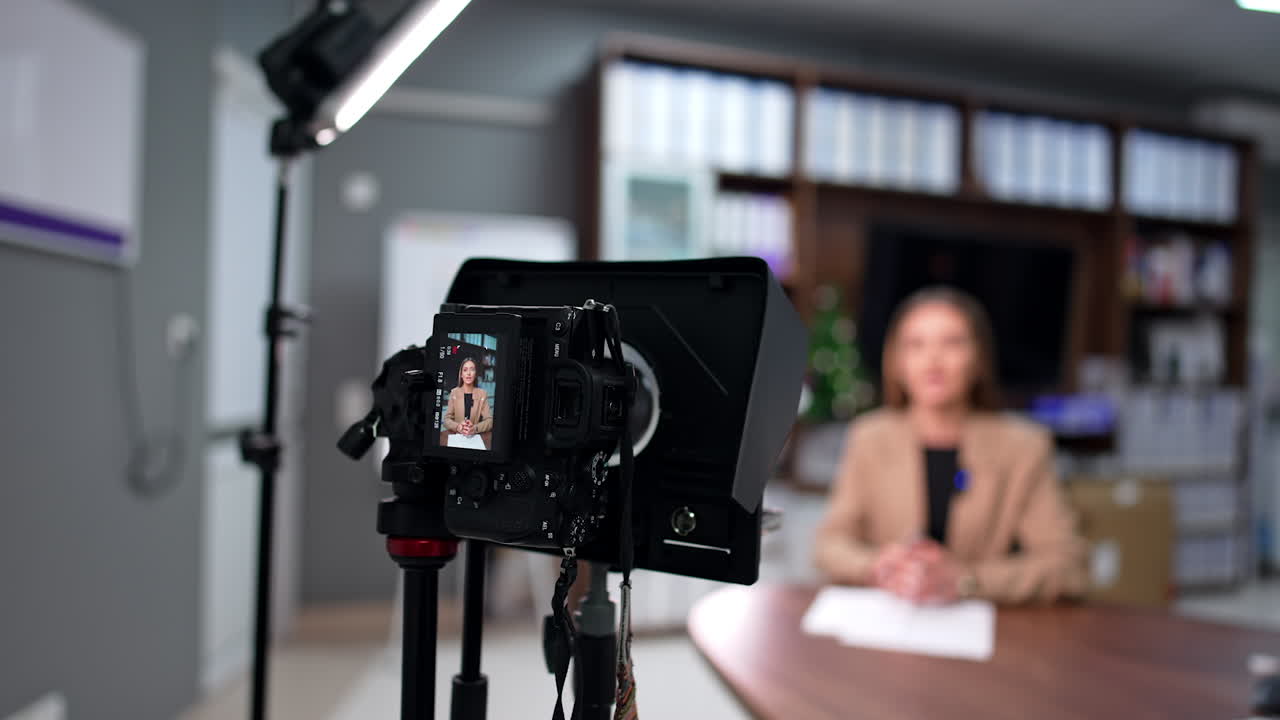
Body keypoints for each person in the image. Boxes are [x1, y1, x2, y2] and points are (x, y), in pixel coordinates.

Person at [813, 287, 1087, 605]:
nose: (933, 359)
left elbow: (1069, 566)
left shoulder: (1024, 447)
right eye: (916, 344)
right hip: (890, 621)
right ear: (897, 361)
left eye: (952, 342)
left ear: (978, 358)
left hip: (982, 628)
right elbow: (829, 544)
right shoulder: (870, 436)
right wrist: (877, 564)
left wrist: (967, 580)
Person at [443, 357, 493, 439]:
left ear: (475, 374)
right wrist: (458, 426)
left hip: (474, 438)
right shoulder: (454, 393)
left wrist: (476, 428)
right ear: (461, 374)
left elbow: (490, 421)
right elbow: (446, 420)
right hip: (457, 438)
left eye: (472, 369)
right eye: (465, 370)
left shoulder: (482, 394)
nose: (468, 373)